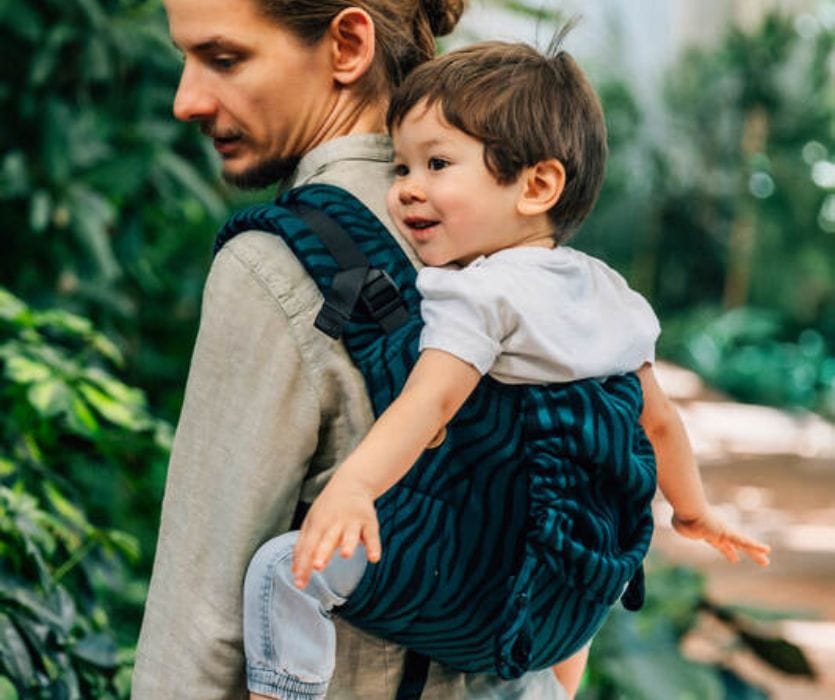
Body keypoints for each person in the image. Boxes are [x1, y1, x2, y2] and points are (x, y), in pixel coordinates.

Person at [242, 36, 772, 700]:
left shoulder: (478, 296)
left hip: (469, 579)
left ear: (538, 184)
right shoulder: (609, 292)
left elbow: (428, 404)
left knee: (283, 571)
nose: (406, 190)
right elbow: (657, 422)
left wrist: (351, 490)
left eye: (437, 163)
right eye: (400, 168)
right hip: (564, 597)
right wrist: (692, 511)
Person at [133, 0, 571, 698]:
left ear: (346, 44)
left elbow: (199, 624)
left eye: (223, 59)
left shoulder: (275, 265)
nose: (187, 100)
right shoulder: (520, 235)